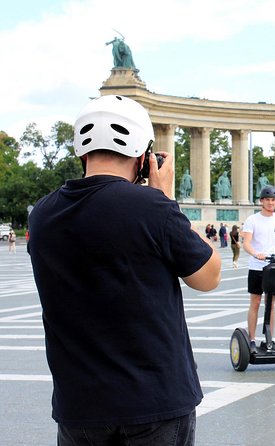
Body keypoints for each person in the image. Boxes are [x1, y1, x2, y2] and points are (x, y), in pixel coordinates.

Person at [27, 95, 221, 444]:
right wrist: (164, 198)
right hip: (156, 401)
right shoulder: (153, 208)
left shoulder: (42, 215)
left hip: (79, 405)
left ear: (82, 152)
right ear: (144, 157)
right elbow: (208, 276)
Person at [241, 185, 275, 350]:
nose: (271, 203)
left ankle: (268, 338)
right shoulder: (252, 220)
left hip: (273, 266)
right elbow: (246, 243)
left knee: (271, 303)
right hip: (257, 266)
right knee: (255, 302)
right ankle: (251, 338)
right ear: (261, 201)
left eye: (273, 200)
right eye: (267, 200)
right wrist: (256, 253)